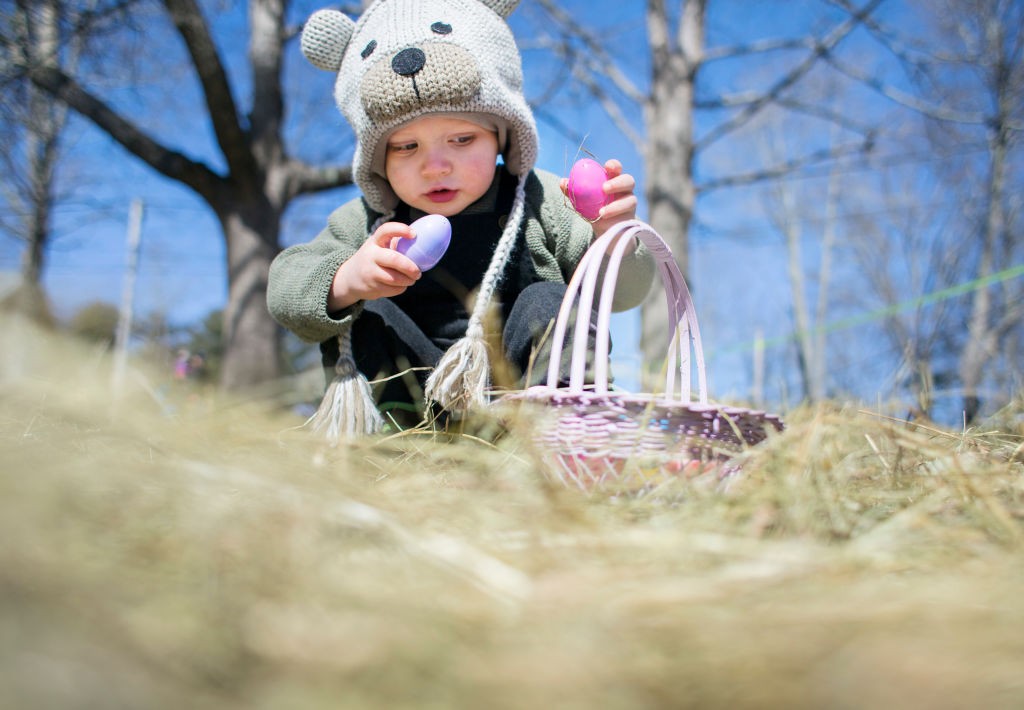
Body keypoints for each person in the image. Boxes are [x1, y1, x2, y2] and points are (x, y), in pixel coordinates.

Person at [267, 0, 655, 437]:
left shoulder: (541, 199)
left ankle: (568, 427)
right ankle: (387, 447)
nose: (435, 166)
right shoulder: (367, 220)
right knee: (369, 315)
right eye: (406, 147)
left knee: (550, 302)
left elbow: (622, 295)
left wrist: (610, 236)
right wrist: (345, 281)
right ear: (378, 159)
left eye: (462, 138)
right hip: (413, 393)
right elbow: (285, 288)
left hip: (515, 392)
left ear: (501, 138)